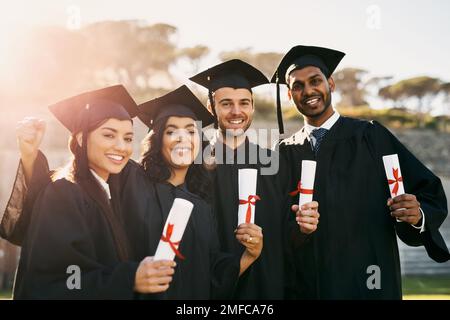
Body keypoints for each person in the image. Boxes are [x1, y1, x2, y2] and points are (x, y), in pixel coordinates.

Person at [272, 45, 450, 299]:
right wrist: (297, 228)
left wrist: (417, 214)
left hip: (368, 286)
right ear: (290, 95)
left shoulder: (371, 137)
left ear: (331, 83)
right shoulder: (284, 153)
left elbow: (428, 190)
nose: (308, 90)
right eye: (298, 86)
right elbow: (273, 221)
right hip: (306, 288)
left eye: (315, 81)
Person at [12, 85, 176, 299]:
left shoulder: (115, 190)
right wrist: (130, 278)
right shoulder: (63, 195)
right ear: (81, 139)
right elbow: (63, 280)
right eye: (109, 135)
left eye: (128, 138)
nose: (121, 147)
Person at [190, 59, 319, 299]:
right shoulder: (195, 163)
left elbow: (288, 234)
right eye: (226, 103)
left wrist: (303, 228)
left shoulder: (275, 164)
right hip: (211, 291)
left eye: (244, 103)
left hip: (267, 287)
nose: (236, 111)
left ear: (252, 107)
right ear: (211, 107)